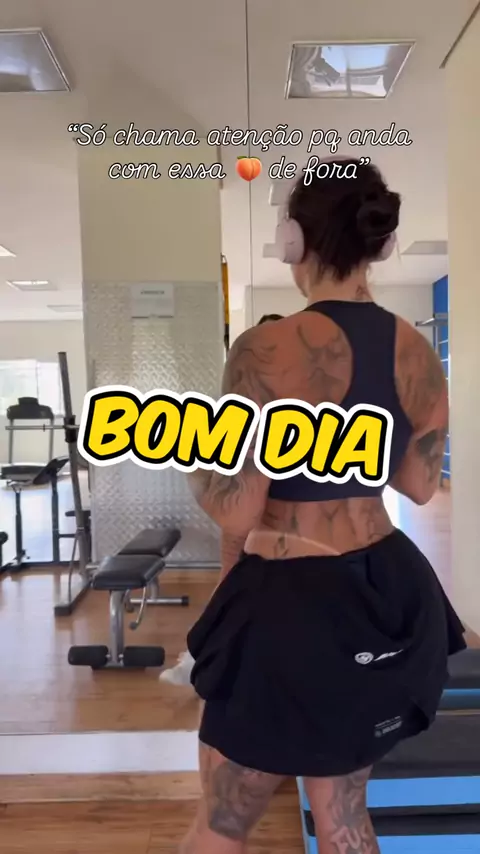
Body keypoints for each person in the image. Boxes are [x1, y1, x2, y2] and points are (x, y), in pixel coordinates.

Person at [179, 157, 466, 854]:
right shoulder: (415, 350)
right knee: (343, 819)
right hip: (384, 592)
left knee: (222, 823)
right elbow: (419, 486)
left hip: (289, 607)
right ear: (381, 245)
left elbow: (237, 511)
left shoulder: (262, 350)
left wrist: (194, 454)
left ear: (294, 242)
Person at [160, 314, 284, 687]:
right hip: (244, 517)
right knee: (231, 584)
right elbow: (209, 475)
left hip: (288, 521)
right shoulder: (237, 408)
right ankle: (201, 660)